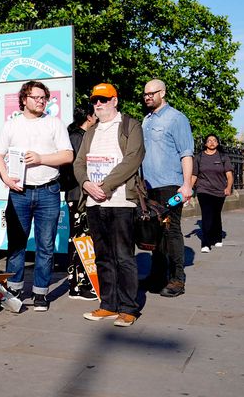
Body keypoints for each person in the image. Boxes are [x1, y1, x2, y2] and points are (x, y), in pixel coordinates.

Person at [0, 80, 73, 312]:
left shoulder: (54, 123)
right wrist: (5, 178)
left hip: (48, 190)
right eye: (36, 97)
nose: (40, 101)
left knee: (46, 245)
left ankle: (40, 293)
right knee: (16, 243)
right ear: (24, 100)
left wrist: (41, 159)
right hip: (19, 192)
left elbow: (68, 155)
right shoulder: (12, 125)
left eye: (43, 98)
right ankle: (15, 289)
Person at [74, 83, 145, 327]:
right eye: (95, 100)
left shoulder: (130, 125)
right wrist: (85, 184)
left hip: (122, 201)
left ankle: (128, 308)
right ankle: (108, 305)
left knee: (124, 255)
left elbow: (133, 159)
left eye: (104, 99)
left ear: (115, 101)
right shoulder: (91, 131)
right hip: (94, 202)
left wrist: (104, 186)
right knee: (103, 256)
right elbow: (78, 162)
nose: (99, 104)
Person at [140, 78, 194, 298]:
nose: (147, 97)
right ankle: (157, 276)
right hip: (149, 187)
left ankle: (177, 279)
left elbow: (186, 153)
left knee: (171, 232)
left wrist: (187, 185)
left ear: (163, 93)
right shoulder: (146, 120)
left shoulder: (176, 118)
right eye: (145, 94)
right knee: (155, 234)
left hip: (170, 186)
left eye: (152, 93)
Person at [59, 105, 98, 300]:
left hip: (76, 194)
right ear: (89, 118)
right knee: (80, 240)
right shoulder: (80, 138)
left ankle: (78, 283)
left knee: (78, 239)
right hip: (79, 195)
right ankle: (77, 285)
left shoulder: (73, 135)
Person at [191, 134, 234, 253]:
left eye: (214, 140)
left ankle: (217, 237)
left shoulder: (223, 157)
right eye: (209, 140)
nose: (211, 142)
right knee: (206, 214)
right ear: (205, 143)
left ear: (218, 143)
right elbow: (194, 175)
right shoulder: (199, 157)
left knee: (216, 214)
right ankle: (205, 243)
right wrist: (189, 189)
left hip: (219, 190)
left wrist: (228, 187)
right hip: (203, 190)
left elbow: (229, 175)